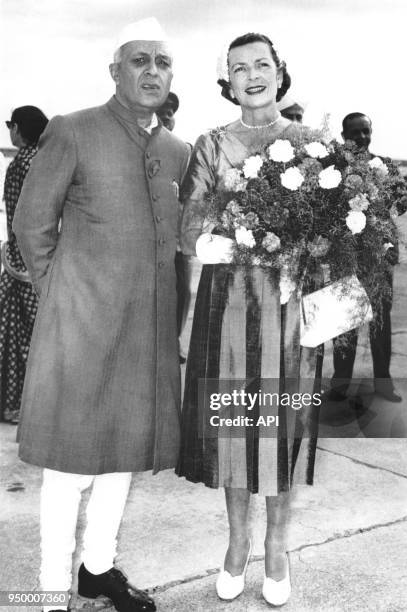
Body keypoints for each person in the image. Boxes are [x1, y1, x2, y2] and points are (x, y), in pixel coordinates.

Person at [13, 17, 190, 612]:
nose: (152, 72)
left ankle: (98, 569)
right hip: (82, 326)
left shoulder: (176, 151)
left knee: (123, 456)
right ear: (115, 71)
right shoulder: (74, 130)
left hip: (146, 331)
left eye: (162, 62)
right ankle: (46, 589)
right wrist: (64, 292)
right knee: (70, 462)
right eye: (139, 61)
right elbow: (31, 223)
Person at [176, 33, 321, 607]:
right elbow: (188, 221)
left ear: (280, 72)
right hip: (227, 308)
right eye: (239, 68)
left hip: (288, 308)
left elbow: (334, 231)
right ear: (228, 81)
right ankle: (237, 544)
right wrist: (210, 241)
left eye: (262, 64)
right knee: (233, 430)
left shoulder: (312, 143)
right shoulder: (210, 145)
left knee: (279, 430)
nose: (252, 75)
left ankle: (277, 546)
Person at [329, 112, 407, 403]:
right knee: (344, 322)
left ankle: (383, 383)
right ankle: (340, 384)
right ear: (343, 135)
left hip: (379, 255)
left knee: (380, 322)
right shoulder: (334, 168)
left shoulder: (385, 165)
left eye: (366, 131)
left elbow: (402, 203)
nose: (362, 137)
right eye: (355, 133)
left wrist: (381, 198)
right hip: (346, 255)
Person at [0, 106, 48, 423]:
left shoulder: (21, 165)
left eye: (9, 125)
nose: (8, 131)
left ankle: (19, 404)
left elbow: (21, 220)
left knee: (19, 336)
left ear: (19, 128)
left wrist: (13, 259)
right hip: (43, 259)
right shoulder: (44, 160)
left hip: (24, 263)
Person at [156, 92, 193, 364]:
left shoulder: (184, 150)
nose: (166, 116)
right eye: (161, 111)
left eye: (170, 111)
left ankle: (172, 342)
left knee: (183, 291)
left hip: (178, 239)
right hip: (149, 238)